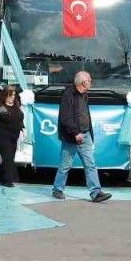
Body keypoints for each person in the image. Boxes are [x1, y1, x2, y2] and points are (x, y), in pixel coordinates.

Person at [52, 71, 112, 203]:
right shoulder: (68, 95)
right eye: (89, 81)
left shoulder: (85, 95)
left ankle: (96, 192)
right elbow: (66, 118)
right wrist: (75, 133)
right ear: (83, 82)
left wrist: (87, 131)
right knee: (65, 165)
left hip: (85, 135)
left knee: (90, 164)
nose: (91, 83)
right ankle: (57, 189)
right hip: (72, 136)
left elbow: (85, 114)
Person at [0, 87, 24, 188]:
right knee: (8, 157)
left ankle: (2, 175)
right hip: (2, 135)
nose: (12, 97)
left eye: (14, 95)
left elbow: (20, 118)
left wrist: (22, 127)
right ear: (5, 95)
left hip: (14, 135)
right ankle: (8, 180)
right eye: (10, 95)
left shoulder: (16, 105)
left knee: (10, 156)